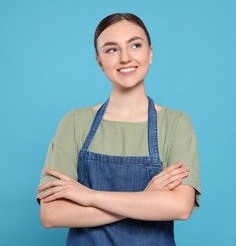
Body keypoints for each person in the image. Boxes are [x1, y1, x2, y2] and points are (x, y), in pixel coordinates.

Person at [37, 13, 201, 246]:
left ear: (150, 53)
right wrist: (146, 199)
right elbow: (51, 214)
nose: (125, 58)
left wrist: (90, 196)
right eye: (111, 49)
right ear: (99, 61)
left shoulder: (176, 124)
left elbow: (180, 207)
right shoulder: (74, 122)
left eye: (135, 45)